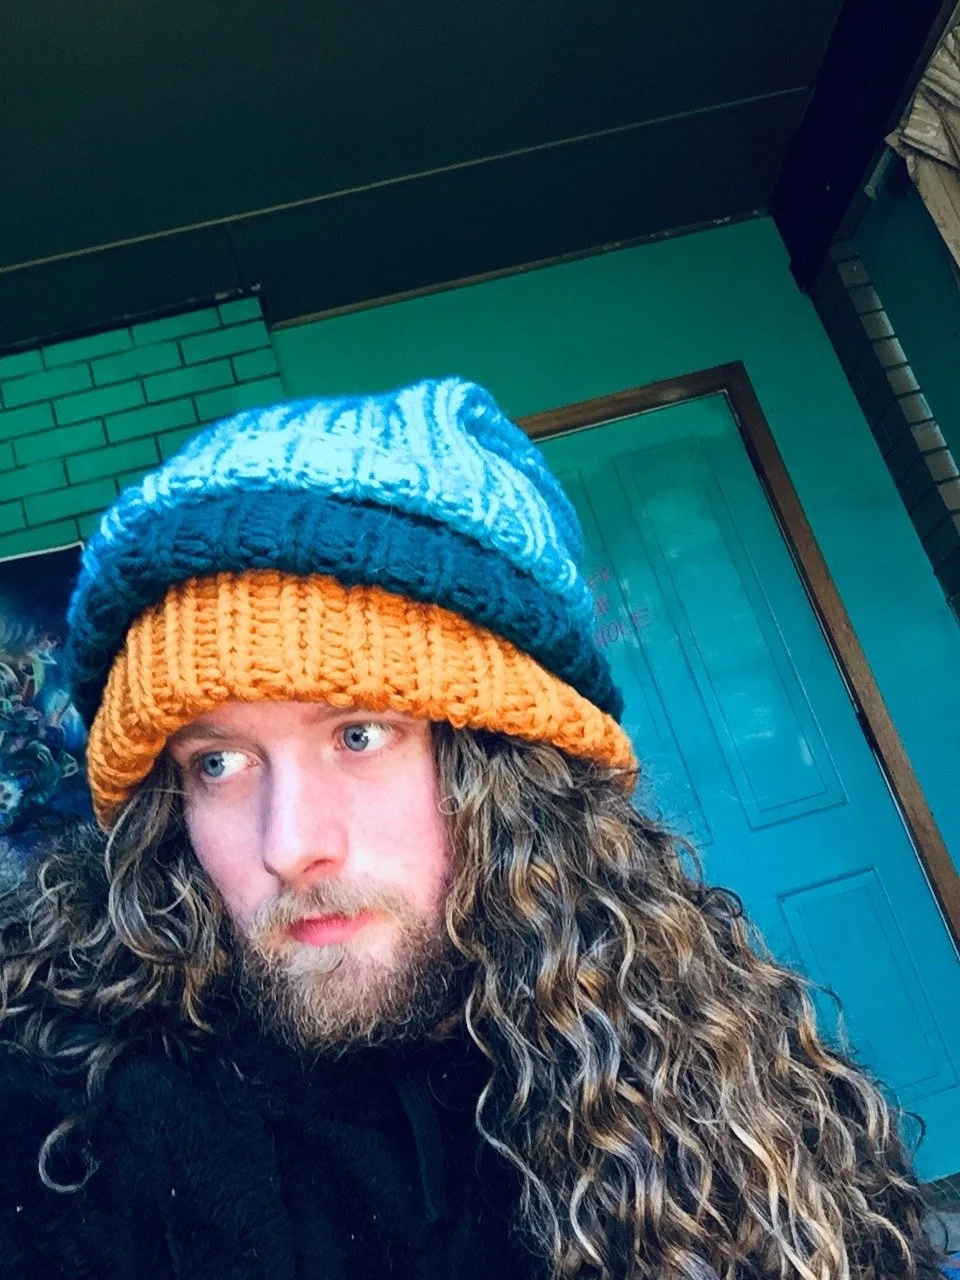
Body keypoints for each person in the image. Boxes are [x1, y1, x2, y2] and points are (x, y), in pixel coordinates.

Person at [0, 378, 944, 1280]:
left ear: (512, 775)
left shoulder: (701, 1074)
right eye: (218, 763)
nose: (289, 845)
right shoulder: (74, 1119)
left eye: (359, 733)